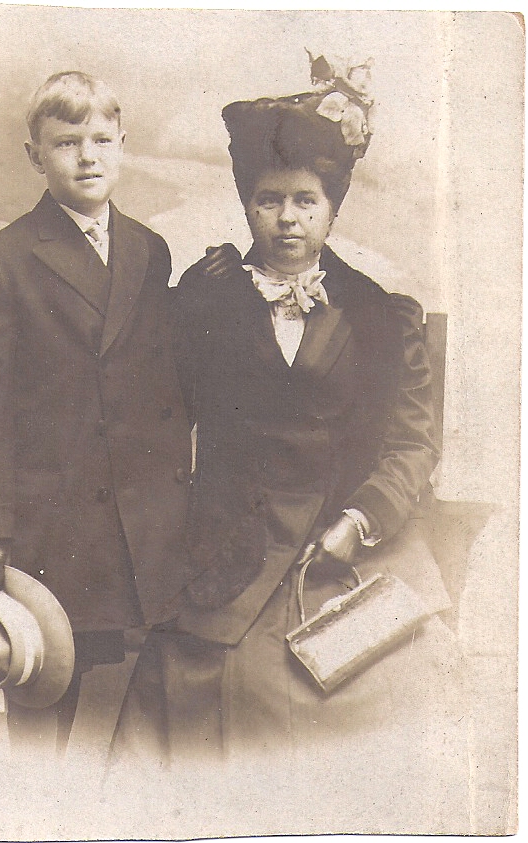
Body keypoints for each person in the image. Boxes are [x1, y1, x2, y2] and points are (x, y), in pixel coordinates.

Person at [111, 55, 469, 829]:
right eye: (268, 199)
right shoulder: (201, 300)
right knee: (193, 686)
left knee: (403, 683)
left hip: (345, 547)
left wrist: (360, 521)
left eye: (305, 200)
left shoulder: (377, 314)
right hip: (230, 546)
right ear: (246, 205)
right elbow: (151, 421)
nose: (286, 218)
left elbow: (412, 444)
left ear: (331, 208)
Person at [0, 71, 196, 754]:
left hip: (123, 513)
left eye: (101, 140)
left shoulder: (147, 249)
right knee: (42, 682)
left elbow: (155, 381)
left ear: (123, 145)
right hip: (45, 517)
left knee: (109, 682)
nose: (87, 157)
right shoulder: (2, 263)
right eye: (65, 143)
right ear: (35, 156)